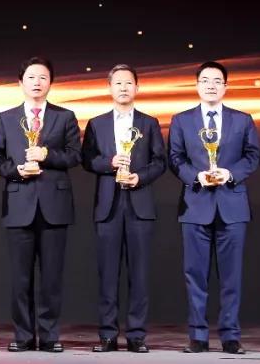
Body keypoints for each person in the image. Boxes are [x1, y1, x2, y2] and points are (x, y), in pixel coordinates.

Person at [167, 61, 260, 355]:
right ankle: (197, 335)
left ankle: (231, 336)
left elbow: (253, 155)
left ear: (225, 86)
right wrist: (196, 176)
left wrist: (230, 174)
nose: (211, 85)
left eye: (217, 81)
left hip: (232, 205)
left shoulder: (242, 120)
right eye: (205, 80)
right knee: (195, 275)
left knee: (231, 276)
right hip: (195, 204)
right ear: (197, 85)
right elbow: (175, 158)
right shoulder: (181, 120)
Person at [0, 57, 81, 354]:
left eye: (43, 77)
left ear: (50, 83)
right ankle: (23, 335)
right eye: (31, 77)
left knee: (51, 277)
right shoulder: (5, 118)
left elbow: (75, 156)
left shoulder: (65, 116)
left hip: (55, 204)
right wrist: (16, 170)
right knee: (20, 277)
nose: (37, 82)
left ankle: (50, 335)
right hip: (19, 203)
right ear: (21, 82)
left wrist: (46, 155)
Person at [80, 64, 166, 354]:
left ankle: (137, 335)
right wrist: (110, 163)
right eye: (118, 83)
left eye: (128, 83)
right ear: (109, 88)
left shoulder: (149, 123)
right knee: (107, 274)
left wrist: (140, 177)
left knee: (139, 275)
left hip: (140, 205)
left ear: (137, 88)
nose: (123, 88)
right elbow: (87, 160)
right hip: (108, 206)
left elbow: (160, 162)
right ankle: (107, 335)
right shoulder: (97, 123)